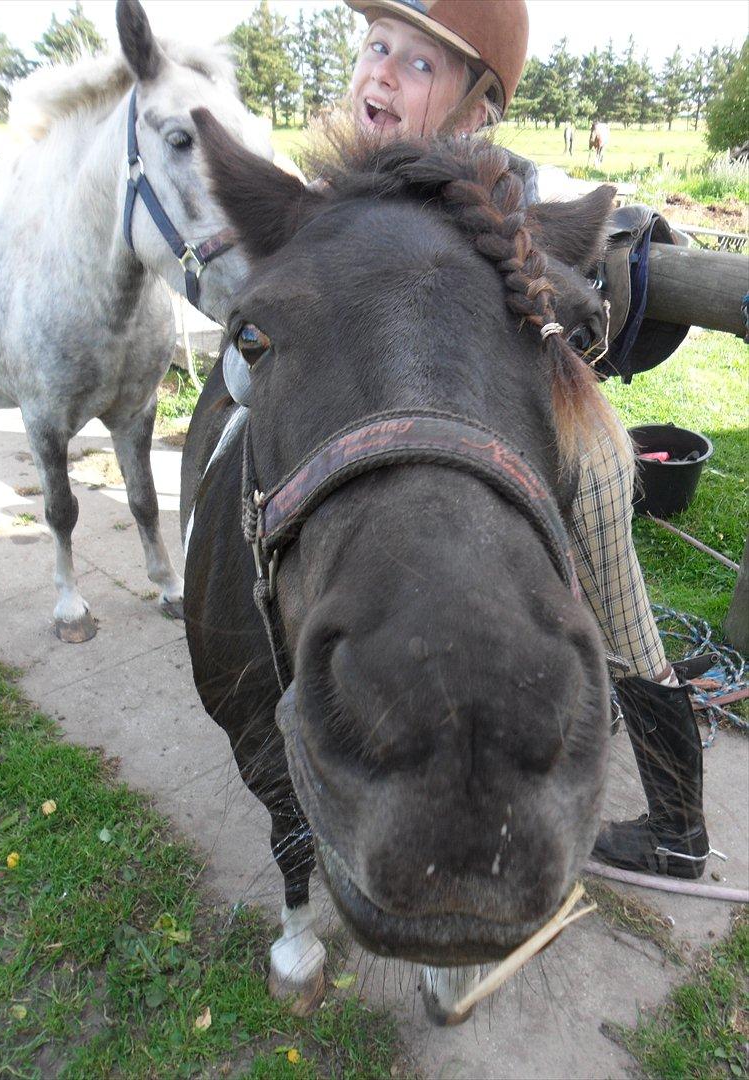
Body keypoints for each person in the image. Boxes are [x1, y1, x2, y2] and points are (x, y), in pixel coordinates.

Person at [336, 0, 711, 880]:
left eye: (419, 65)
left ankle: (678, 831)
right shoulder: (367, 188)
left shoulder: (499, 195)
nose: (382, 73)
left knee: (623, 635)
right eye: (376, 46)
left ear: (477, 113)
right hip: (505, 440)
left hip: (570, 452)